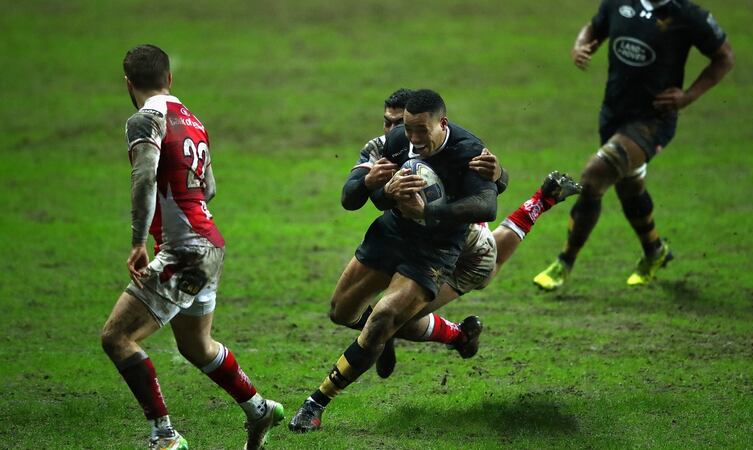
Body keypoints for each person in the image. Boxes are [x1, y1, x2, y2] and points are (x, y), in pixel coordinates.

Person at [288, 89, 578, 433]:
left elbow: (487, 203)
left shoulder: (468, 152)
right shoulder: (392, 141)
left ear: (441, 123)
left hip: (445, 246)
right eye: (399, 125)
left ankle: (317, 401)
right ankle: (437, 337)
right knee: (345, 313)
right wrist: (383, 190)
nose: (409, 136)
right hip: (394, 234)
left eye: (417, 129)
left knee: (395, 312)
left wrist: (447, 203)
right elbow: (361, 198)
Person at [100, 44, 283, 450]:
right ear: (170, 79)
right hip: (210, 244)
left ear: (128, 83)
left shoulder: (144, 119)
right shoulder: (194, 121)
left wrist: (137, 241)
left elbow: (144, 178)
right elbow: (210, 189)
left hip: (184, 250)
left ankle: (164, 435)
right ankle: (259, 408)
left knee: (116, 336)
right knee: (196, 346)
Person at [339, 88, 582, 380]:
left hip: (463, 239)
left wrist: (499, 174)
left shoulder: (441, 142)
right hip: (414, 236)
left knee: (484, 267)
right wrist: (369, 183)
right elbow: (354, 198)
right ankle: (434, 336)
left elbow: (488, 188)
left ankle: (542, 201)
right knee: (385, 318)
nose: (393, 130)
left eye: (399, 124)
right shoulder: (383, 147)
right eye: (388, 122)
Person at [533, 0, 734, 290]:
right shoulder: (618, 2)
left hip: (653, 120)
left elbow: (724, 56)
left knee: (594, 176)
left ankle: (564, 262)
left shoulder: (687, 15)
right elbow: (594, 28)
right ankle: (655, 251)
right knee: (630, 188)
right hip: (613, 114)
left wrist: (689, 96)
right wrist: (581, 45)